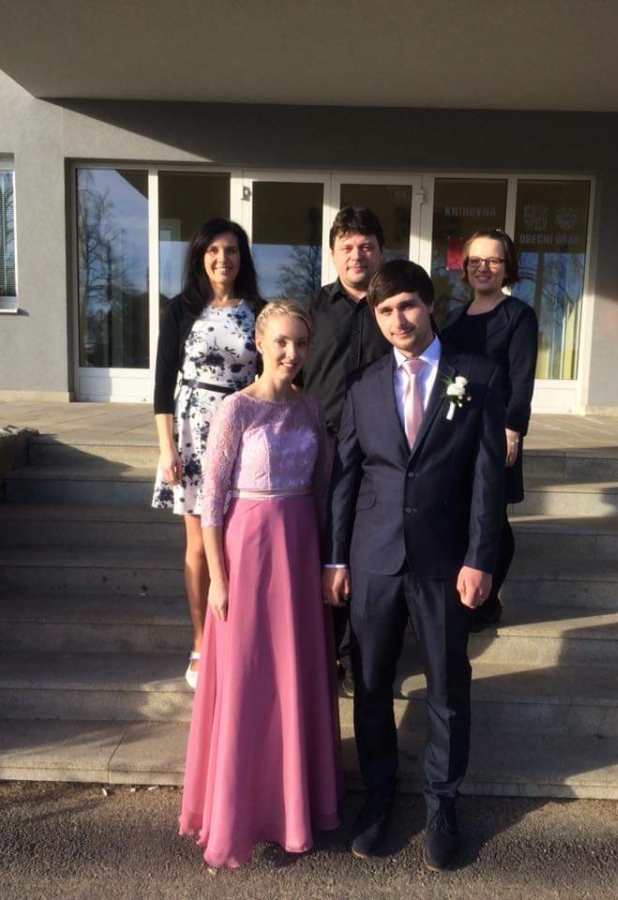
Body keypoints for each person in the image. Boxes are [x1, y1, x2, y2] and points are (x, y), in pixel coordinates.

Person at [322, 260, 505, 871]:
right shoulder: (364, 384)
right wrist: (336, 558)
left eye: (406, 305)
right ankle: (378, 795)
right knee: (371, 683)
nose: (397, 320)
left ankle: (442, 804)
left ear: (429, 305)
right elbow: (346, 477)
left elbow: (486, 480)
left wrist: (480, 559)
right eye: (384, 310)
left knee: (448, 686)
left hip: (444, 561)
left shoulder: (475, 376)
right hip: (373, 558)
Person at [179, 301, 341, 869]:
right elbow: (211, 500)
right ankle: (237, 812)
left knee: (295, 673)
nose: (292, 353)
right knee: (248, 678)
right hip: (247, 551)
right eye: (282, 342)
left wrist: (325, 560)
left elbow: (322, 488)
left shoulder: (311, 408)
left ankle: (294, 804)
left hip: (299, 547)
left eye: (301, 343)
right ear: (261, 343)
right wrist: (218, 578)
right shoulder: (236, 409)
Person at [152, 218, 264, 689]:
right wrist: (167, 449)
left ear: (243, 258)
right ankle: (201, 642)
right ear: (200, 256)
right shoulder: (180, 309)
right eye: (214, 250)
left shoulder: (260, 310)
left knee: (239, 540)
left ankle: (237, 636)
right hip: (193, 432)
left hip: (246, 429)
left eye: (231, 250)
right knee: (199, 544)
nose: (223, 259)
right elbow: (163, 383)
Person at [301, 206, 391, 696]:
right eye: (347, 247)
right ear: (333, 254)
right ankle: (327, 653)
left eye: (366, 246)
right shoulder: (312, 310)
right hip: (325, 449)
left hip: (382, 453)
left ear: (381, 251)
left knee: (367, 551)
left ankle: (360, 658)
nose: (357, 255)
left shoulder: (394, 308)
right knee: (327, 548)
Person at [443, 229, 538, 631]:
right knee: (468, 510)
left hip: (496, 430)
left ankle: (487, 601)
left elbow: (521, 379)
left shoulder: (518, 316)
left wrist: (513, 429)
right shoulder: (454, 317)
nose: (483, 268)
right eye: (475, 260)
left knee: (494, 516)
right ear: (465, 267)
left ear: (507, 267)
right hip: (458, 429)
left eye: (493, 260)